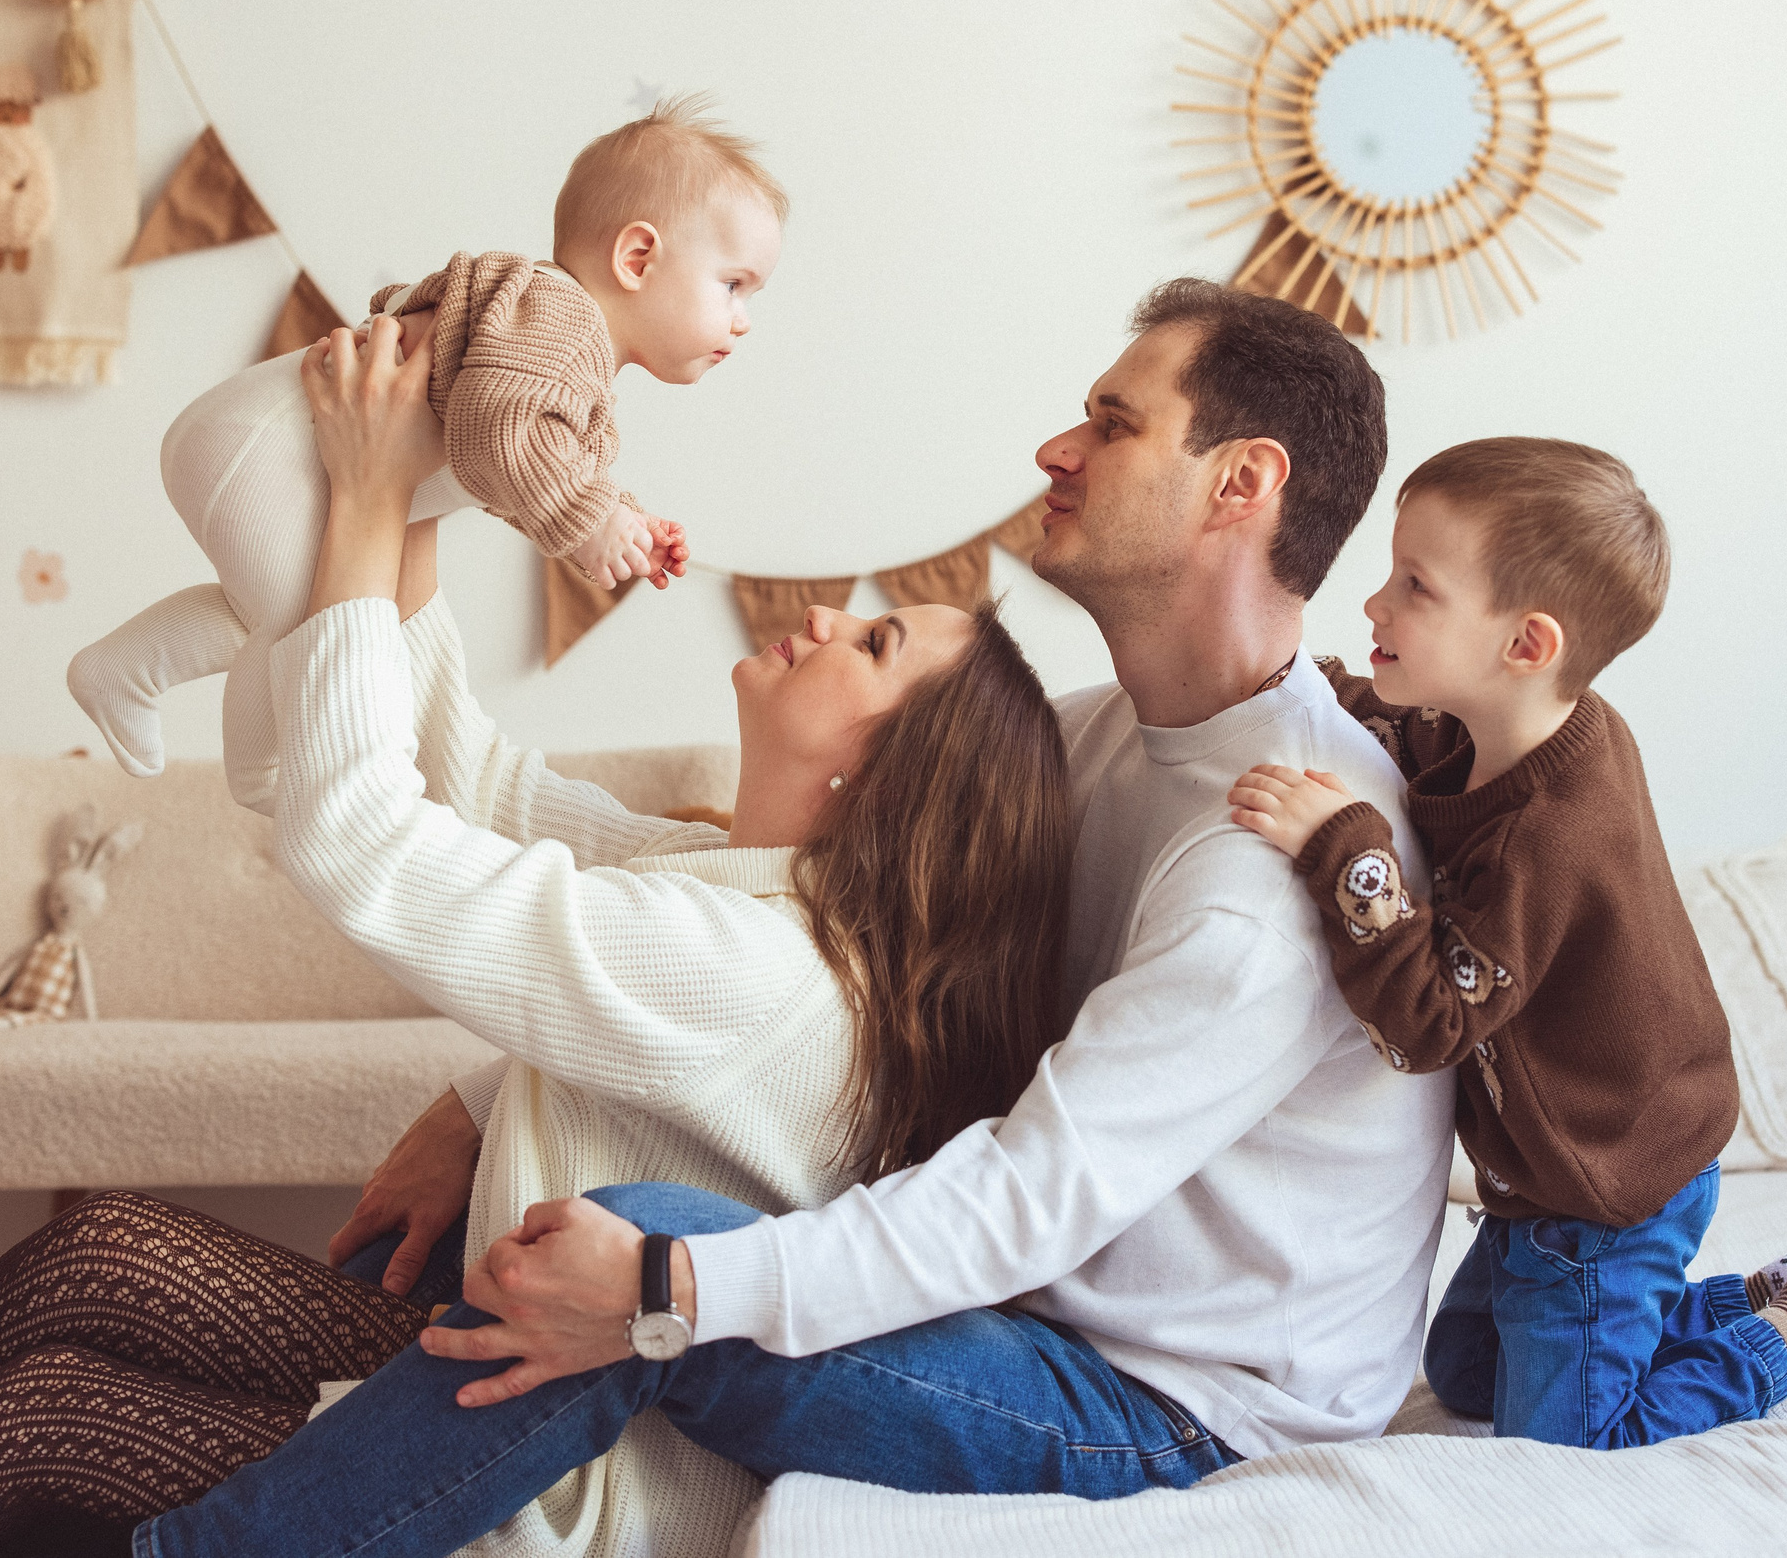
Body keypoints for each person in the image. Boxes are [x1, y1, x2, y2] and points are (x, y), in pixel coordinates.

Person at [0, 311, 1071, 1558]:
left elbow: (371, 844)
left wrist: (359, 505)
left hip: (533, 1500)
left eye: (876, 645)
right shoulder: (725, 883)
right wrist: (413, 510)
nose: (825, 620)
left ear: (890, 778)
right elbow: (476, 782)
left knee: (57, 1411)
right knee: (95, 1267)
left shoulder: (755, 964)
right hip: (469, 1367)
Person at [133, 278, 1459, 1556]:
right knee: (513, 1243)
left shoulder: (1268, 862)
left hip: (1168, 1413)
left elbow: (1031, 1196)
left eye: (1114, 424)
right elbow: (734, 886)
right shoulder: (1101, 743)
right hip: (1035, 1316)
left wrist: (671, 1293)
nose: (1057, 447)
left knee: (651, 1245)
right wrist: (487, 1103)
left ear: (1243, 484)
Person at [1224, 436, 1787, 1449]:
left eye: (1415, 586)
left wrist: (1345, 851)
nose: (1374, 605)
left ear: (1526, 645)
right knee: (1461, 1373)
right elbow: (1410, 738)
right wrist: (1306, 692)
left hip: (1605, 1183)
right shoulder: (1498, 721)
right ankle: (1730, 1298)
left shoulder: (1551, 832)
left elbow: (1434, 1023)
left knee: (1565, 1439)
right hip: (1542, 1174)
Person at [67, 93, 785, 813]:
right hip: (256, 453)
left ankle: (122, 669)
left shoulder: (568, 354)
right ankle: (261, 782)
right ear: (637, 257)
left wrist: (621, 517)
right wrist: (590, 520)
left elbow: (525, 461)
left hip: (252, 454)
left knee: (267, 608)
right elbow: (498, 435)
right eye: (733, 285)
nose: (743, 321)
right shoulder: (562, 318)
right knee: (307, 623)